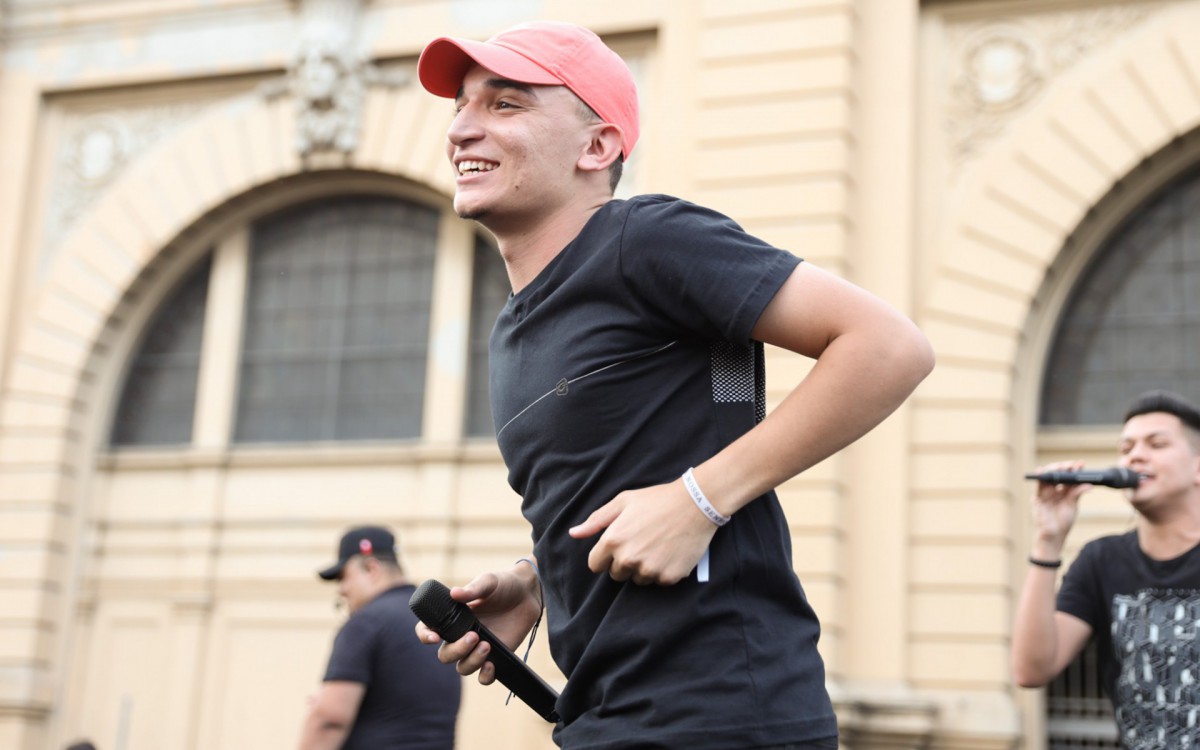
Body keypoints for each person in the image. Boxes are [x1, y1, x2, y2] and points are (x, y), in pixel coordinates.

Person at [413, 20, 936, 750]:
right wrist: (536, 582)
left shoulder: (647, 238)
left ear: (597, 146)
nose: (463, 129)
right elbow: (624, 472)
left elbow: (889, 346)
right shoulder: (513, 328)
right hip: (602, 717)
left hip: (725, 715)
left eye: (505, 105)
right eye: (461, 106)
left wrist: (701, 498)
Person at [1012, 390, 1200, 749]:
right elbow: (1031, 670)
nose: (1135, 455)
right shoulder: (1100, 560)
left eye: (1156, 444)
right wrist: (1048, 539)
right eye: (1126, 447)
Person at [299, 526, 460, 750]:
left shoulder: (366, 622)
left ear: (371, 568)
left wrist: (326, 708)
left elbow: (330, 721)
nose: (342, 590)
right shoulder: (432, 621)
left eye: (344, 577)